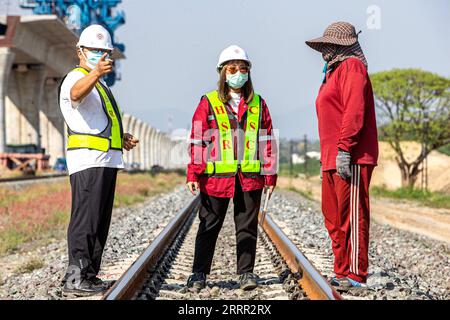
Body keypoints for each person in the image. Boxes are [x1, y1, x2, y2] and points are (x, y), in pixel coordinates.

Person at [186, 45, 277, 291]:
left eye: (243, 68)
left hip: (249, 177)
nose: (238, 72)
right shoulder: (209, 102)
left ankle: (246, 273)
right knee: (209, 227)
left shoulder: (258, 103)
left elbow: (267, 140)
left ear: (249, 72)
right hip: (215, 178)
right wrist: (193, 172)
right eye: (233, 68)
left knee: (247, 228)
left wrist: (270, 175)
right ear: (223, 72)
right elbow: (197, 139)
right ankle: (198, 274)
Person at [58, 24, 139, 296]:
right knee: (86, 220)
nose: (100, 56)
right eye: (94, 51)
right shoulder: (77, 77)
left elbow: (96, 122)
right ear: (79, 51)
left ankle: (89, 275)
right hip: (88, 161)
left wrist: (121, 137)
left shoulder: (100, 85)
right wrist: (94, 73)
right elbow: (75, 95)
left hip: (106, 160)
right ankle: (74, 277)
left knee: (99, 222)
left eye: (105, 52)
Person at [305, 22, 379, 288]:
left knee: (353, 216)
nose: (325, 50)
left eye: (330, 45)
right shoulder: (333, 71)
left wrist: (345, 149)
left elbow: (354, 111)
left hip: (352, 156)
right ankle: (341, 270)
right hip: (330, 156)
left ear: (341, 46)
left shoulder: (352, 67)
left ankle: (356, 274)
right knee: (333, 217)